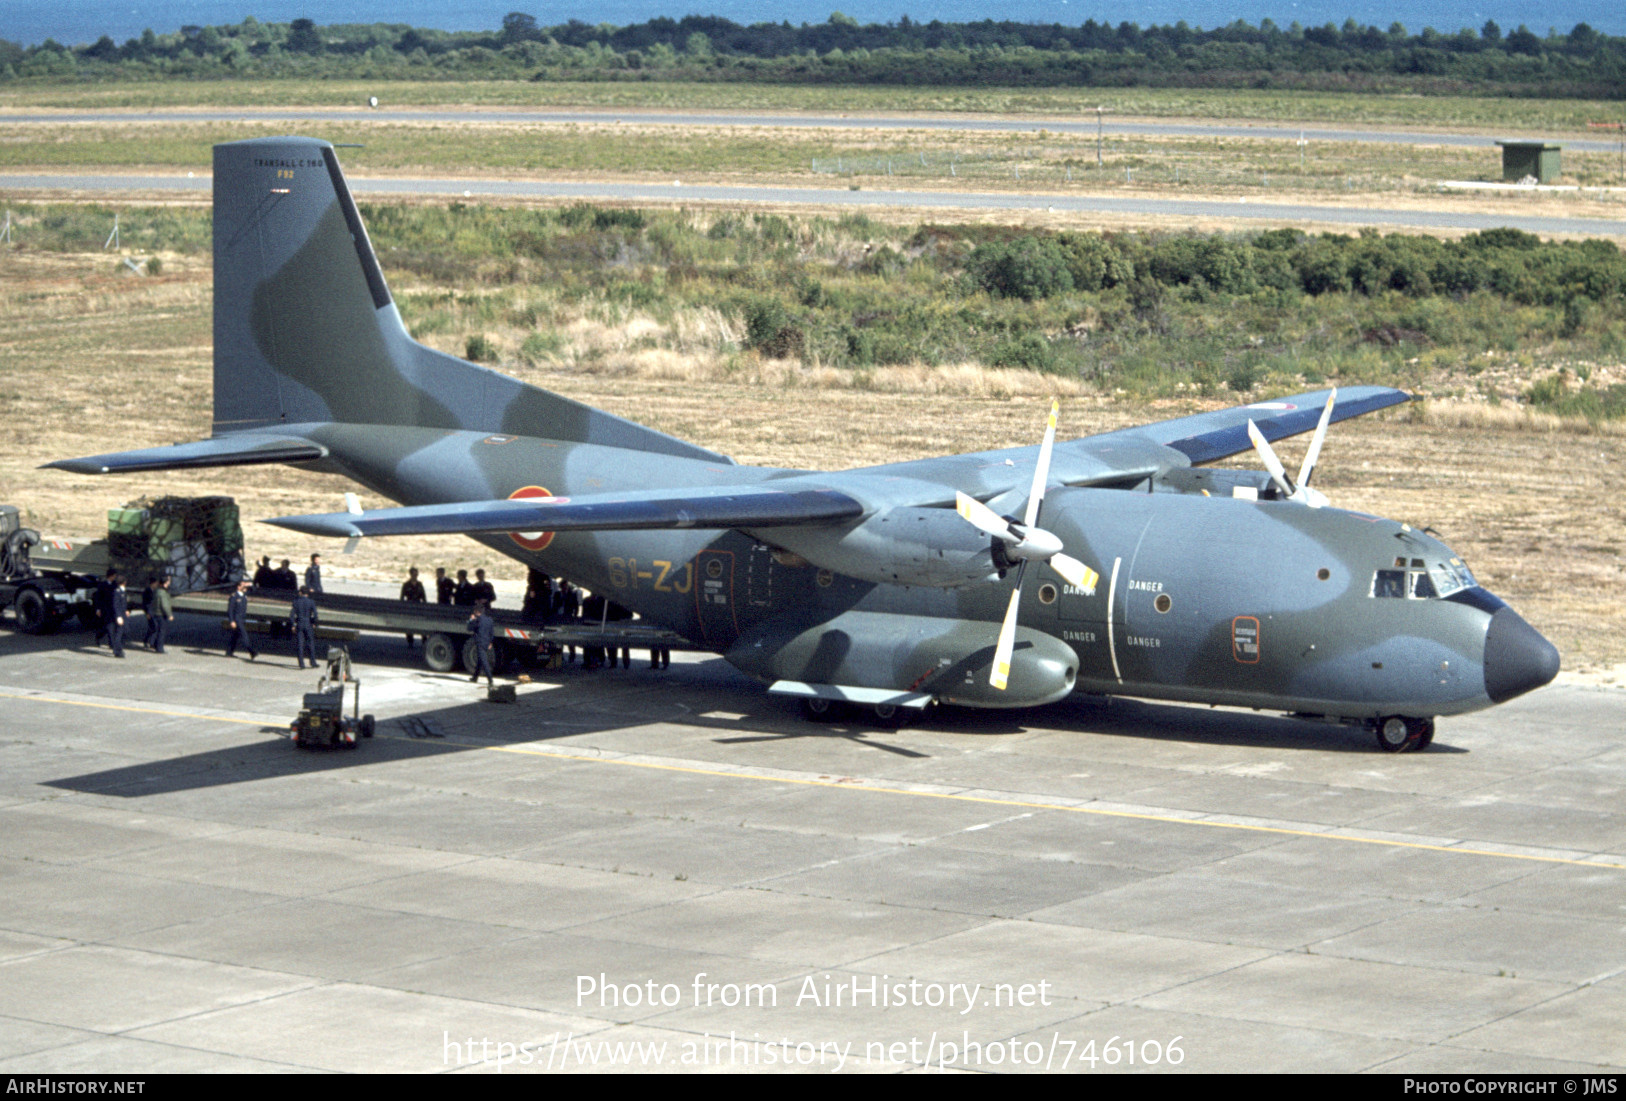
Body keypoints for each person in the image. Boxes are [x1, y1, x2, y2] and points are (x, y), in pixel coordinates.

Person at [225, 579, 257, 660]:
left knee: (235, 636)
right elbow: (230, 610)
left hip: (242, 619)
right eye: (242, 585)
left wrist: (249, 584)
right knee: (244, 635)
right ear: (238, 587)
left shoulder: (243, 595)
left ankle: (229, 652)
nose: (244, 586)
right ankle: (252, 652)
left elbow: (254, 589)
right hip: (237, 620)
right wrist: (231, 621)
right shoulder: (234, 597)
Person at [289, 585, 319, 669]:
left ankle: (301, 664)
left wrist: (292, 625)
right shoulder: (311, 602)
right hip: (308, 624)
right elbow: (315, 615)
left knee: (300, 644)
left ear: (301, 592)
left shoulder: (296, 602)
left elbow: (291, 615)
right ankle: (313, 662)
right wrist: (314, 623)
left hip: (299, 624)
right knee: (310, 643)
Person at [468, 600, 496, 687]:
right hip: (487, 642)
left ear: (476, 612)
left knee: (484, 661)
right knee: (480, 660)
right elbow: (492, 632)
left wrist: (471, 620)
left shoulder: (477, 621)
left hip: (480, 643)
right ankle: (475, 677)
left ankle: (490, 679)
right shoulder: (489, 620)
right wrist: (490, 642)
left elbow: (469, 628)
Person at [400, 566, 426, 650]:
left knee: (422, 625)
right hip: (409, 608)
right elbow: (402, 597)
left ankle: (424, 641)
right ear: (411, 575)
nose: (416, 576)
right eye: (414, 574)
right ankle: (410, 642)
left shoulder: (420, 584)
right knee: (409, 626)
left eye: (416, 574)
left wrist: (424, 606)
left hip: (418, 607)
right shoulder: (406, 585)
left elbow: (423, 597)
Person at [146, 575, 173, 653]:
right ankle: (159, 648)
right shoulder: (162, 593)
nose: (168, 584)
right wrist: (169, 614)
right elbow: (164, 605)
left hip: (156, 613)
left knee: (157, 630)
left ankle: (155, 645)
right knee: (162, 631)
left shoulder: (157, 591)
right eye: (167, 582)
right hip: (161, 614)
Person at [107, 572, 127, 658]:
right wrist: (119, 616)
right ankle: (117, 650)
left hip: (122, 614)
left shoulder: (122, 591)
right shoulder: (117, 591)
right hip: (119, 615)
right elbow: (116, 604)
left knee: (122, 632)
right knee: (119, 633)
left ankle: (118, 648)